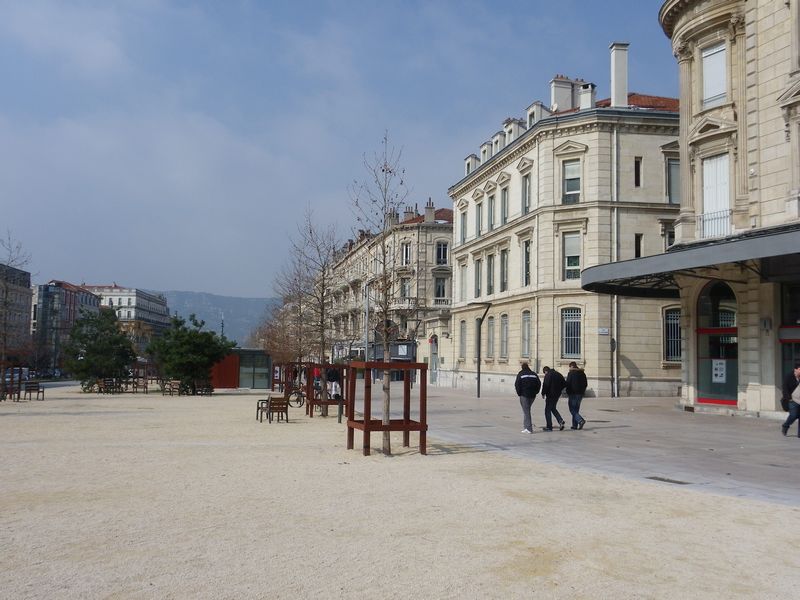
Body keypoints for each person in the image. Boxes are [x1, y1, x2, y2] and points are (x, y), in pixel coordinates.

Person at [514, 361, 541, 434]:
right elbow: (539, 383)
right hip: (532, 395)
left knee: (526, 411)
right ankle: (526, 427)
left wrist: (519, 393)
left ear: (522, 367)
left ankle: (528, 428)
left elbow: (517, 384)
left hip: (524, 395)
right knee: (527, 410)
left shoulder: (521, 374)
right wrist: (536, 392)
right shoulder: (534, 374)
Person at [541, 366, 566, 431]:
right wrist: (559, 390)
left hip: (550, 395)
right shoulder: (558, 374)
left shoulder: (548, 375)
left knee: (547, 410)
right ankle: (560, 421)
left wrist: (543, 393)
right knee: (553, 408)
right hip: (557, 395)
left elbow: (545, 385)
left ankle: (549, 427)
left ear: (545, 371)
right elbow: (564, 384)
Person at [565, 361, 588, 430]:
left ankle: (580, 420)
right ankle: (574, 425)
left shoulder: (571, 373)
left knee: (572, 409)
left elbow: (568, 383)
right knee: (576, 410)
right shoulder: (582, 373)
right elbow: (585, 384)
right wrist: (582, 391)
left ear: (571, 366)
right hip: (580, 394)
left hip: (573, 394)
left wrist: (567, 392)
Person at [781, 362, 800, 437]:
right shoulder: (789, 376)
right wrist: (789, 399)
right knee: (793, 415)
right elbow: (785, 388)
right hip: (792, 400)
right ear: (796, 369)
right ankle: (785, 426)